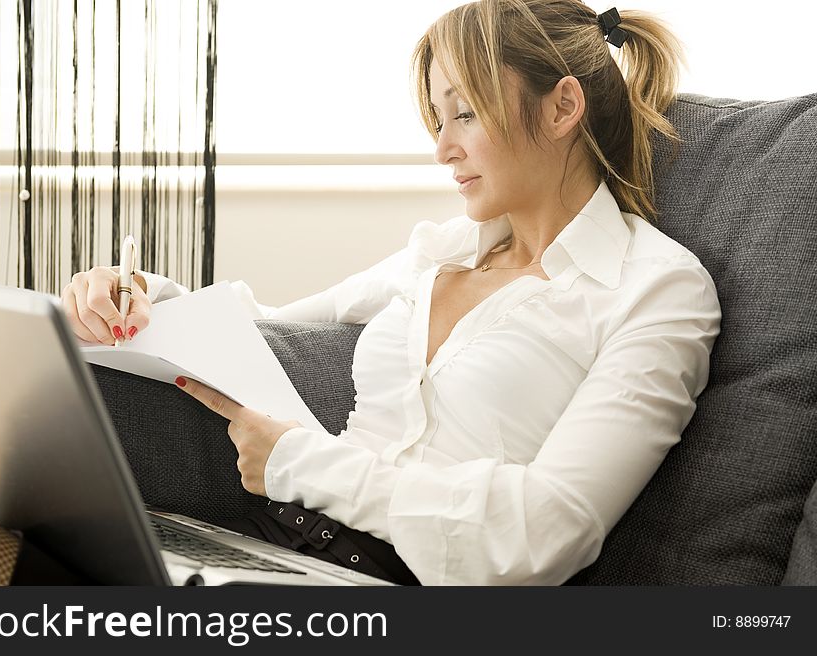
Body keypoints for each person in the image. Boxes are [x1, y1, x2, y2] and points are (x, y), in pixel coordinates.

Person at [61, 0, 721, 585]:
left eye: (464, 114)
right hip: (278, 547)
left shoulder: (656, 289)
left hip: (385, 581)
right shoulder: (437, 254)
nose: (442, 149)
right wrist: (136, 295)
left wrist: (300, 463)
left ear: (563, 107)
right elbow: (265, 326)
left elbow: (546, 531)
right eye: (438, 119)